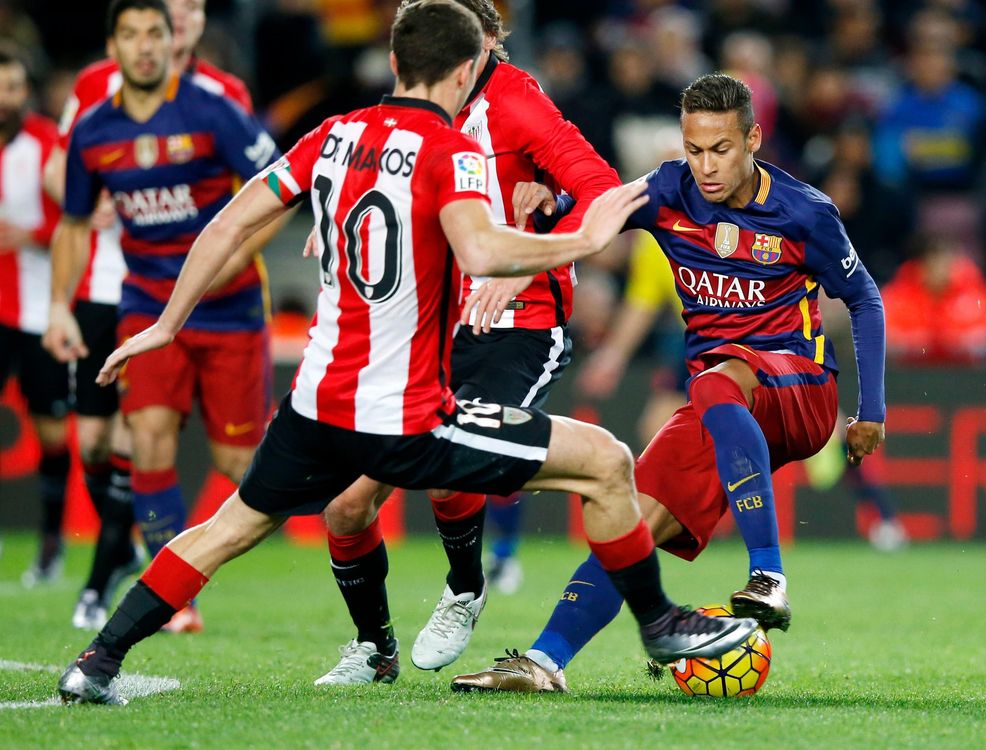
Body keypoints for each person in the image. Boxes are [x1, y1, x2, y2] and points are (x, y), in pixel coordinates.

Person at [57, 0, 755, 707]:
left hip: (316, 404)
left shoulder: (334, 134)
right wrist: (579, 240)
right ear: (462, 72)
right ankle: (660, 622)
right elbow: (481, 248)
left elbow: (231, 221)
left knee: (228, 528)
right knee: (607, 462)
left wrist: (166, 324)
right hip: (407, 414)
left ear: (393, 62)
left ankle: (98, 658)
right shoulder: (449, 149)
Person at [451, 73, 887, 693]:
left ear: (754, 139)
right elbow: (597, 212)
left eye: (721, 149)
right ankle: (544, 663)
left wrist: (871, 410)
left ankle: (769, 575)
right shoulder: (667, 191)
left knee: (715, 381)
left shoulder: (805, 212)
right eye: (694, 149)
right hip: (723, 405)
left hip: (801, 390)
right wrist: (549, 209)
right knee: (626, 520)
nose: (706, 166)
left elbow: (865, 299)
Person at [311, 0, 623, 685]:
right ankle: (374, 646)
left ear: (488, 39)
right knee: (345, 503)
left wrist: (536, 246)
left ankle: (464, 586)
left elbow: (603, 189)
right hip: (423, 327)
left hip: (515, 323)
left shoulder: (519, 102)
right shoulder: (412, 106)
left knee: (453, 463)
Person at [44, 0, 282, 635]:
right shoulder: (94, 130)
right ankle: (174, 594)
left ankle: (181, 565)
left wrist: (233, 261)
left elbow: (284, 188)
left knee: (239, 469)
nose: (146, 46)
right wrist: (57, 308)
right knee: (145, 436)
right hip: (147, 306)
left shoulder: (212, 109)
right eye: (131, 35)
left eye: (155, 33)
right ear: (112, 47)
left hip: (230, 312)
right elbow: (71, 223)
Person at [0, 44, 70, 586]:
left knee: (52, 431)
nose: (6, 99)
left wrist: (34, 234)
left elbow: (77, 213)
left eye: (14, 87)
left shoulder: (47, 141)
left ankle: (51, 544)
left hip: (40, 308)